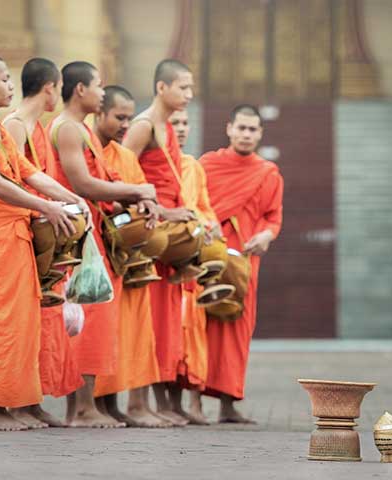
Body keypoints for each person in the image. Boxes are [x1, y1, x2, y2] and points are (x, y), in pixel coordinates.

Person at [0, 54, 87, 431]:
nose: (11, 86)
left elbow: (30, 174)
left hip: (17, 235)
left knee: (24, 324)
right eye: (5, 79)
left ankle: (23, 402)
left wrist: (73, 200)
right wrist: (46, 206)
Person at [48, 61, 155, 428]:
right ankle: (80, 410)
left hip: (92, 237)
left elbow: (100, 185)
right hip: (77, 241)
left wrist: (132, 202)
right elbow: (82, 184)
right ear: (80, 90)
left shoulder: (81, 131)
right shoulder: (66, 129)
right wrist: (136, 189)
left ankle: (85, 406)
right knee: (85, 320)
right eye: (98, 86)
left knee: (93, 321)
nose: (101, 92)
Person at [1, 57, 83, 428]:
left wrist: (72, 202)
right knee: (20, 324)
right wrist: (47, 209)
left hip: (42, 229)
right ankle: (15, 403)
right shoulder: (14, 126)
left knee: (42, 323)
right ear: (50, 87)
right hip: (19, 232)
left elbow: (38, 177)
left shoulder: (39, 127)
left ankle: (32, 401)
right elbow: (10, 182)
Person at [122, 59, 197, 427]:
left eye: (191, 87)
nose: (189, 94)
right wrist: (164, 214)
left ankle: (148, 402)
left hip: (167, 239)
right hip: (147, 234)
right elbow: (120, 176)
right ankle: (136, 404)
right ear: (161, 88)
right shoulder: (142, 126)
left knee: (161, 326)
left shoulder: (166, 128)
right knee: (143, 322)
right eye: (183, 87)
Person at [92, 85, 171, 428]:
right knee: (102, 329)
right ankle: (102, 405)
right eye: (120, 117)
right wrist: (129, 200)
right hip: (100, 251)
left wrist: (148, 207)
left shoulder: (124, 156)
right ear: (99, 113)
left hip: (131, 257)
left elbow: (142, 188)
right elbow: (87, 190)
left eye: (129, 117)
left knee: (137, 331)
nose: (126, 124)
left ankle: (131, 405)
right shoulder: (89, 148)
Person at [200, 105, 283, 424]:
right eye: (241, 128)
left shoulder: (268, 172)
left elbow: (273, 217)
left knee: (238, 328)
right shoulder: (208, 165)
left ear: (260, 133)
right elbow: (194, 203)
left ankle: (227, 403)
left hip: (245, 261)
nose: (247, 134)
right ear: (229, 128)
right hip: (209, 256)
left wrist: (266, 236)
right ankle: (193, 402)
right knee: (202, 324)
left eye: (253, 129)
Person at [170, 108, 218, 425]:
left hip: (194, 260)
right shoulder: (153, 162)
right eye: (175, 123)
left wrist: (210, 224)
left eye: (186, 123)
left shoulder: (193, 167)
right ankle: (171, 404)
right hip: (169, 260)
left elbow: (204, 206)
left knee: (197, 334)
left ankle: (195, 404)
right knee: (171, 334)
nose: (182, 129)